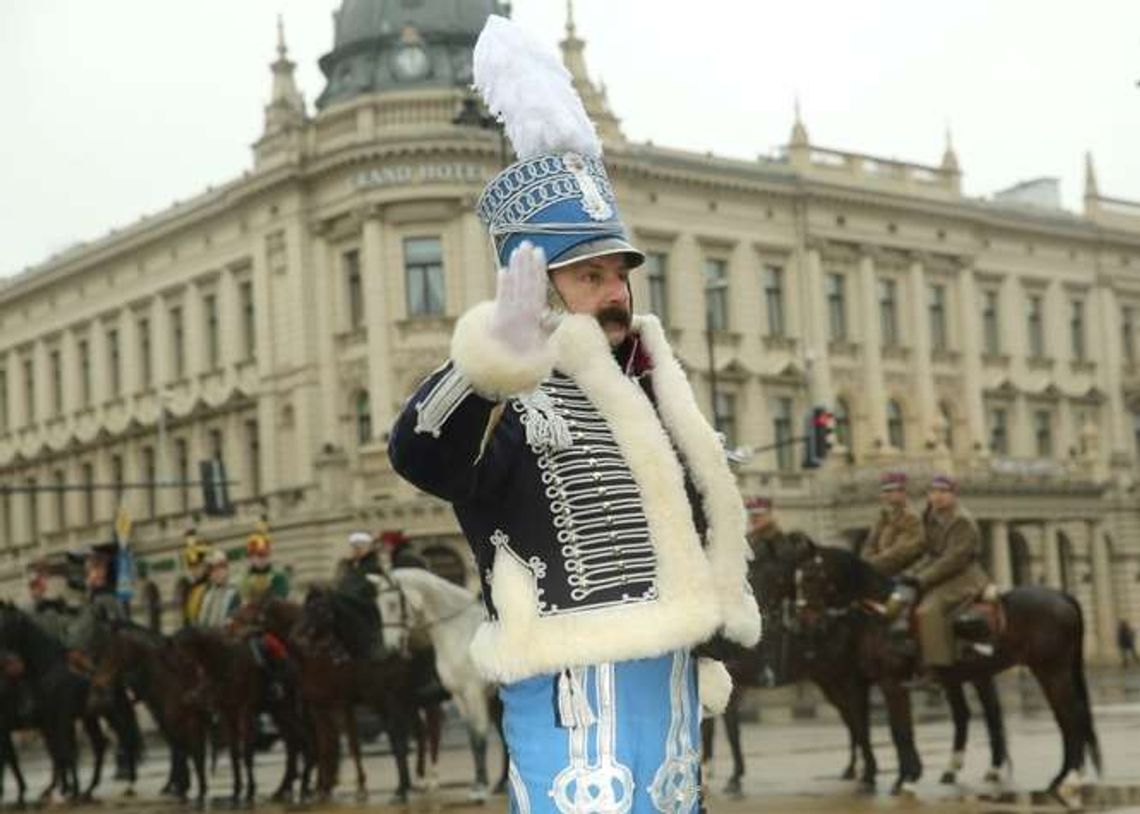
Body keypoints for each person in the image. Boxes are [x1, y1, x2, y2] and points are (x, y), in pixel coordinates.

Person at [388, 16, 759, 812]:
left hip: (669, 675)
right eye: (589, 276)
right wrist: (489, 360)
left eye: (619, 273)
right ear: (547, 290)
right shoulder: (505, 393)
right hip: (565, 684)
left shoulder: (659, 396)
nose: (615, 291)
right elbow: (420, 456)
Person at [906, 475, 989, 673]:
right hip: (940, 573)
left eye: (944, 492)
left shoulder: (961, 520)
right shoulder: (930, 517)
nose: (938, 497)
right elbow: (930, 553)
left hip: (964, 576)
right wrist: (910, 574)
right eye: (934, 492)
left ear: (953, 495)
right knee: (897, 599)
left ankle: (938, 668)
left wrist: (921, 578)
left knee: (929, 610)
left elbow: (954, 560)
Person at [862, 472, 927, 578]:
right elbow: (870, 544)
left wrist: (870, 565)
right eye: (884, 491)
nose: (885, 495)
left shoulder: (911, 519)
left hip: (902, 573)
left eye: (889, 491)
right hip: (879, 570)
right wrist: (864, 563)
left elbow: (901, 552)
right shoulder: (883, 518)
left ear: (902, 493)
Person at [334, 531, 386, 660]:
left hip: (366, 610)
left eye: (360, 546)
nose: (356, 549)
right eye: (354, 546)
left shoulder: (374, 567)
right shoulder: (349, 567)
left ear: (368, 548)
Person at [240, 526, 291, 606]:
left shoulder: (278, 577)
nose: (262, 559)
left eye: (265, 555)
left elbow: (280, 599)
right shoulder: (244, 579)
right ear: (251, 557)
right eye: (259, 555)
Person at [177, 531, 213, 628]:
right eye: (192, 568)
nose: (195, 571)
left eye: (198, 567)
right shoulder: (189, 589)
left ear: (205, 566)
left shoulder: (211, 587)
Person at [197, 550, 240, 629]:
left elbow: (234, 619)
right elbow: (202, 621)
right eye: (212, 571)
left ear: (226, 569)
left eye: (220, 569)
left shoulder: (234, 592)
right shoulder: (207, 595)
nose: (216, 574)